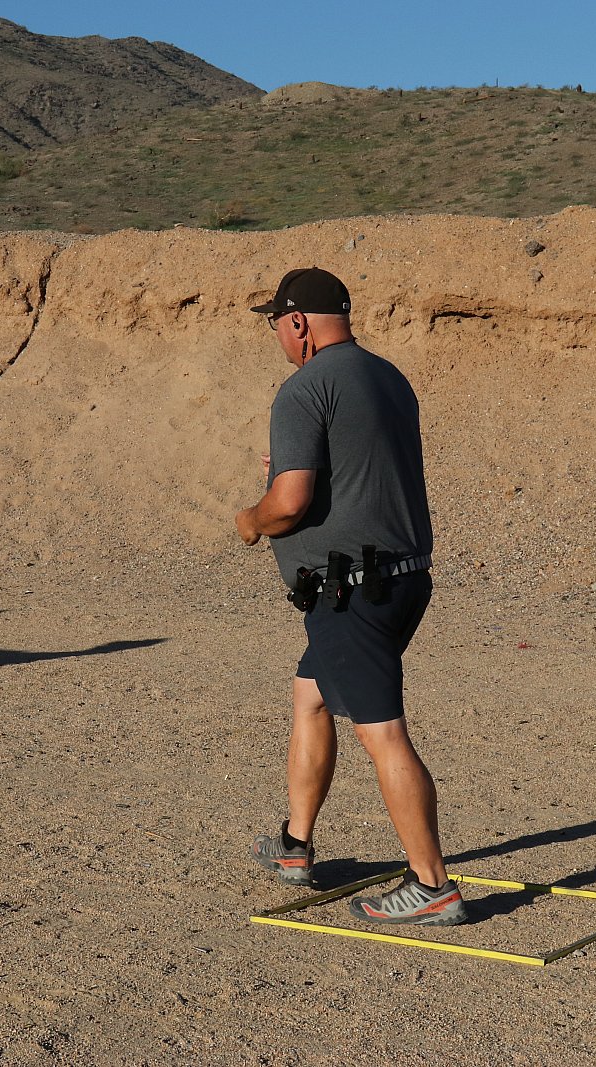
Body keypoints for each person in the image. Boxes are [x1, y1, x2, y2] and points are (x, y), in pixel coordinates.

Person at [234, 267, 465, 926]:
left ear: (297, 321)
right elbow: (361, 471)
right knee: (310, 694)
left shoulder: (304, 387)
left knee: (382, 732)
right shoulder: (389, 378)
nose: (278, 337)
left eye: (277, 323)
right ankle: (294, 845)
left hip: (352, 591)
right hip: (403, 577)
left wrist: (251, 519)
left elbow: (289, 503)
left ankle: (432, 885)